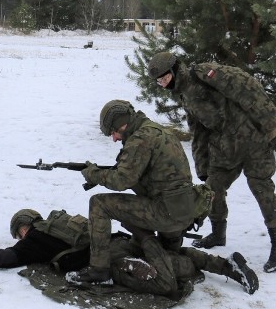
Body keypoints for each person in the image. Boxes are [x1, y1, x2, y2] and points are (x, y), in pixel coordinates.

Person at [148, 52, 276, 273]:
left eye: (164, 78)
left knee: (260, 186)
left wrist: (269, 120)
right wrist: (203, 167)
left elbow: (245, 85)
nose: (163, 84)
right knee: (212, 188)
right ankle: (218, 233)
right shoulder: (184, 95)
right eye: (159, 81)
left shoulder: (202, 74)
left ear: (175, 69)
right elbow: (198, 131)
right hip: (225, 146)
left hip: (252, 138)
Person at [0, 208, 259, 298]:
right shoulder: (61, 219)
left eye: (18, 231)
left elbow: (2, 257)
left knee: (159, 268)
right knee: (159, 248)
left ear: (23, 227)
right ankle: (227, 265)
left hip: (102, 258)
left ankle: (168, 268)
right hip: (117, 236)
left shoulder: (31, 241)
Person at [68, 100, 199, 285]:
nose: (114, 138)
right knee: (165, 256)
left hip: (165, 212)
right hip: (183, 211)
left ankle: (98, 270)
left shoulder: (140, 138)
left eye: (113, 132)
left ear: (122, 123)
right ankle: (206, 263)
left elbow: (122, 180)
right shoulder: (157, 131)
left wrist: (92, 173)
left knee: (99, 204)